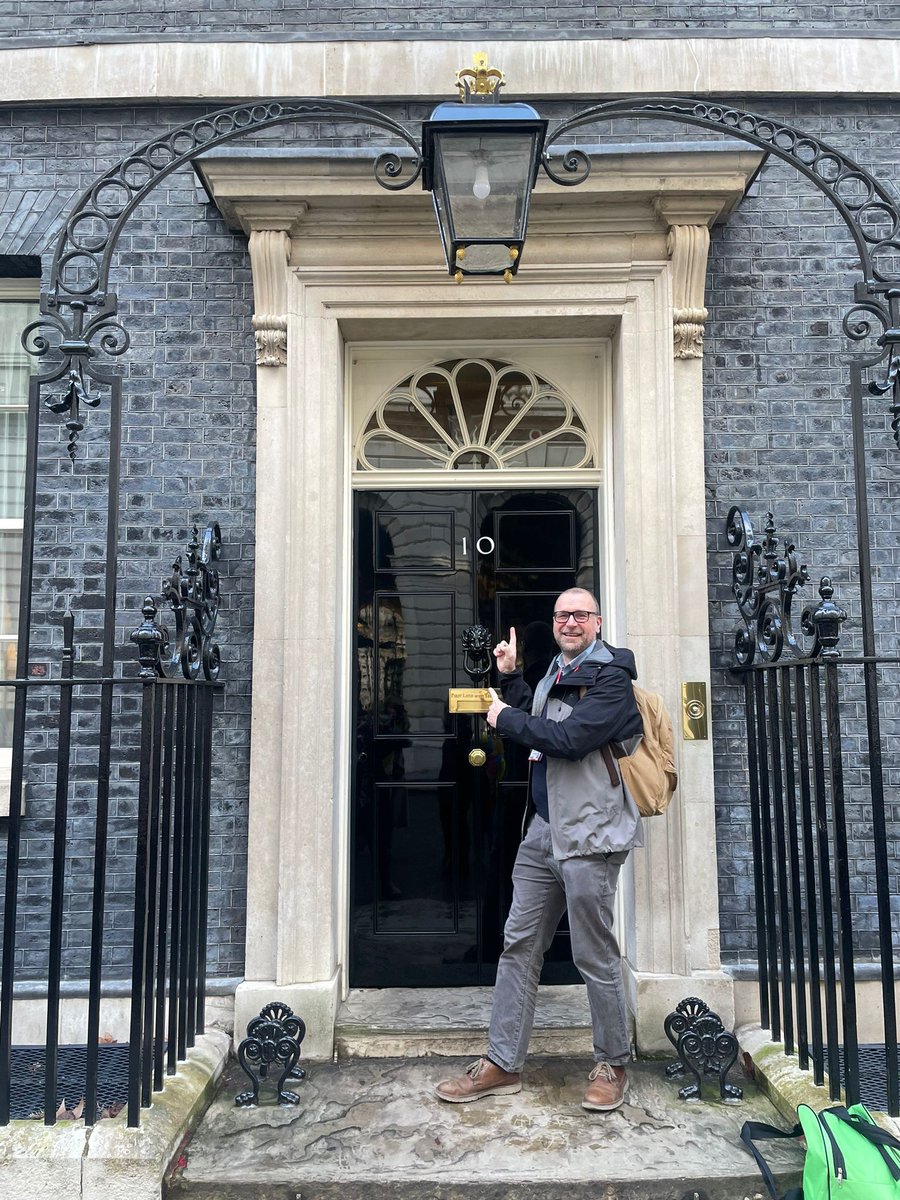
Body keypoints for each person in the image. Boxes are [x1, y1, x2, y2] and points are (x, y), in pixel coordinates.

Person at [435, 587, 643, 1113]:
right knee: (519, 945)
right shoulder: (555, 668)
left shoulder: (612, 679)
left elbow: (569, 738)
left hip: (590, 833)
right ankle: (503, 1063)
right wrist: (510, 676)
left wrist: (501, 715)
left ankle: (612, 1062)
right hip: (544, 830)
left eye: (580, 615)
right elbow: (540, 712)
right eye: (561, 615)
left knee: (593, 953)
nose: (570, 622)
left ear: (597, 621)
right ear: (553, 623)